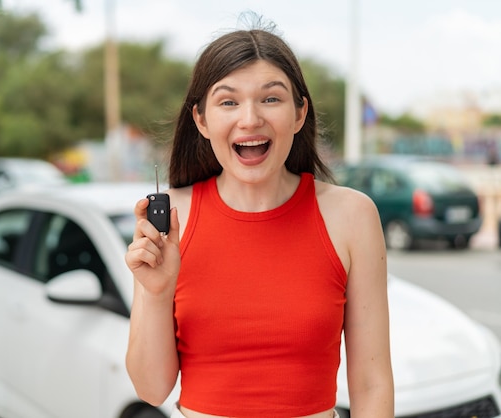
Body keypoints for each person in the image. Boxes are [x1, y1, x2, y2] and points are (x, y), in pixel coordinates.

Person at [125, 15, 394, 418]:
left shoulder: (352, 215)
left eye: (271, 98)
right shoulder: (172, 222)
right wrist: (156, 293)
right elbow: (151, 389)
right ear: (201, 119)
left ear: (300, 114)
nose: (249, 119)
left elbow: (373, 386)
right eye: (228, 101)